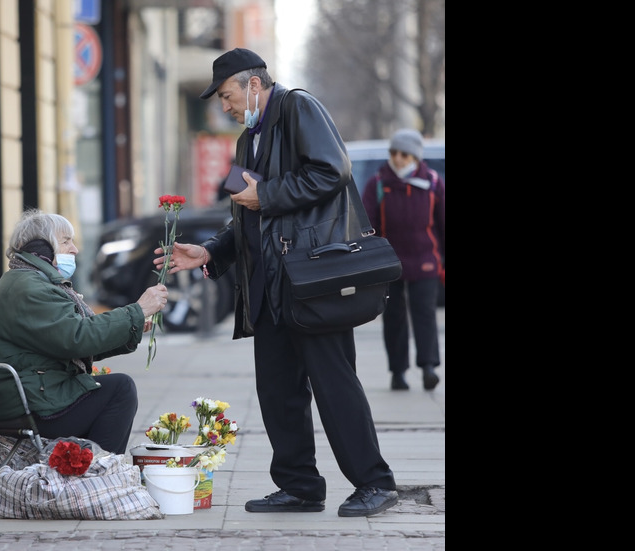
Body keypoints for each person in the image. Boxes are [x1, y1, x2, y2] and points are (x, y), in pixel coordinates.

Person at [154, 48, 398, 517]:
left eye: (226, 95)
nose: (224, 106)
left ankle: (375, 482)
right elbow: (246, 216)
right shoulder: (250, 138)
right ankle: (299, 486)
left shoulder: (298, 108)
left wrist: (266, 193)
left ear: (252, 84)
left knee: (334, 385)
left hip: (311, 280)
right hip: (268, 286)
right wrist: (210, 252)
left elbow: (332, 170)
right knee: (279, 392)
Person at [0, 208, 168, 455]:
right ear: (41, 248)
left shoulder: (28, 281)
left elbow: (70, 339)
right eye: (66, 241)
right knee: (120, 389)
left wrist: (131, 325)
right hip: (22, 404)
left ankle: (81, 469)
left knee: (106, 389)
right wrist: (136, 310)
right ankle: (99, 475)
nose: (74, 249)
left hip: (19, 396)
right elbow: (77, 338)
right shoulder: (30, 288)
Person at [361, 129, 445, 391]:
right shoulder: (377, 183)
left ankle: (428, 367)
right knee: (394, 319)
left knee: (425, 315)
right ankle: (398, 372)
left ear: (416, 157)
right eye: (394, 153)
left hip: (425, 261)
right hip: (390, 263)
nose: (398, 159)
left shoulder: (432, 183)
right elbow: (368, 226)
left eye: (405, 154)